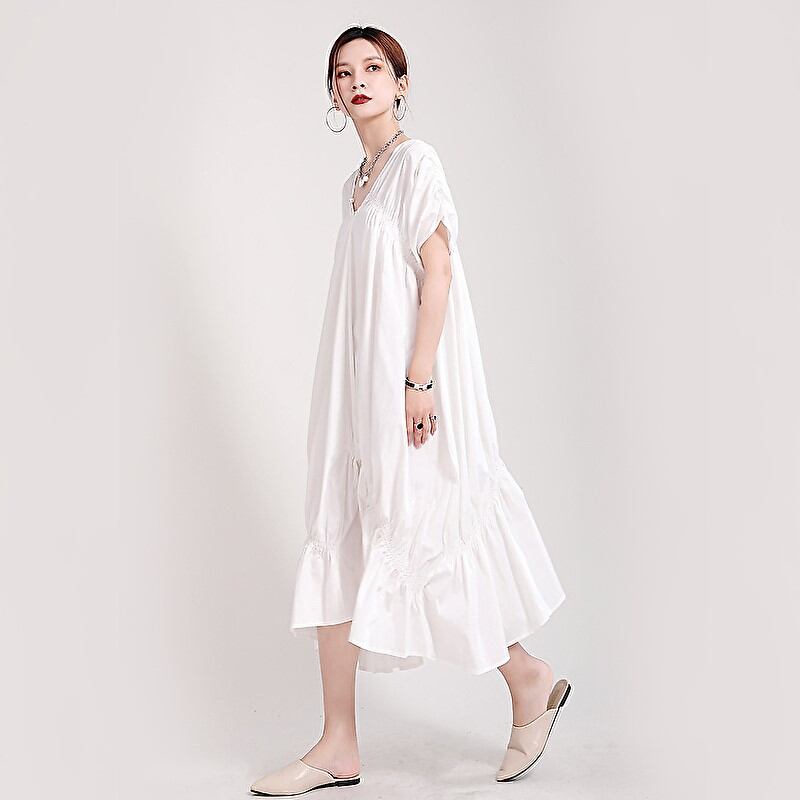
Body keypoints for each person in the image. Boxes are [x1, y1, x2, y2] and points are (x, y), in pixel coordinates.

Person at [250, 25, 570, 797]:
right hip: (354, 392)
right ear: (333, 95)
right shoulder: (357, 183)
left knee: (425, 532)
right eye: (343, 72)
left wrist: (418, 380)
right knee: (339, 530)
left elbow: (438, 271)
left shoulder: (415, 164)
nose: (357, 81)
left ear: (400, 83)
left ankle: (527, 679)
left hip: (405, 393)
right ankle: (338, 744)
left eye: (373, 67)